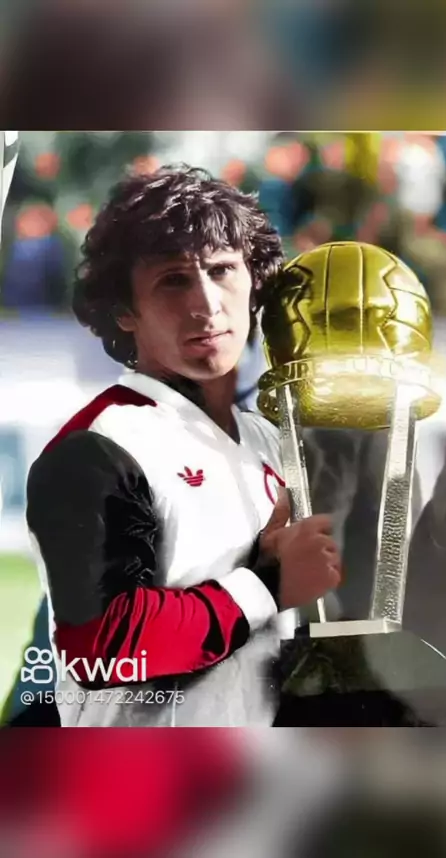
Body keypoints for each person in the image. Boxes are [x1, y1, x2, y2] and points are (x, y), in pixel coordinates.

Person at [25, 166, 340, 728]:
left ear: (255, 282)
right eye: (173, 280)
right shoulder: (98, 445)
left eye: (222, 270)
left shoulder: (272, 440)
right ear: (124, 310)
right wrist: (267, 584)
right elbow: (102, 649)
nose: (207, 304)